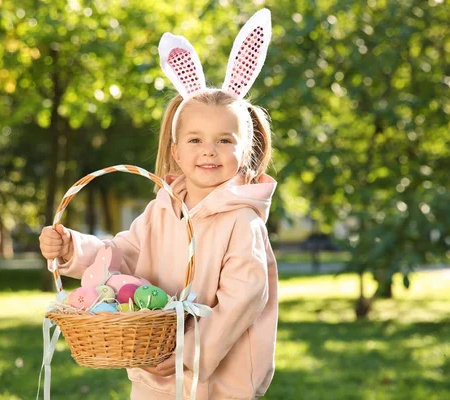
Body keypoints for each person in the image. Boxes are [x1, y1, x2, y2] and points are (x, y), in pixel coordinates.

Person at [39, 9, 278, 400]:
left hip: (218, 378)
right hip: (156, 370)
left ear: (246, 150)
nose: (209, 152)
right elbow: (123, 255)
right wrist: (72, 249)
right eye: (196, 140)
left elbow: (244, 296)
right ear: (176, 152)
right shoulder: (162, 210)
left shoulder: (242, 221)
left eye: (225, 140)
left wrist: (192, 351)